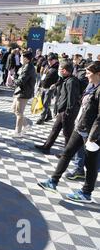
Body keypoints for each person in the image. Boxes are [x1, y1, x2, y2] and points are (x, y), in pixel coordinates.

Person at [38, 62, 100, 204]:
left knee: (90, 165)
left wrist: (93, 137)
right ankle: (53, 181)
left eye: (89, 72)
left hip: (93, 134)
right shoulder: (91, 86)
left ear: (98, 74)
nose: (86, 75)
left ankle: (86, 193)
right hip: (81, 128)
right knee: (67, 153)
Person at [35, 61, 80, 154]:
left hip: (67, 112)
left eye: (59, 69)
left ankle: (67, 153)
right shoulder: (65, 79)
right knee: (55, 129)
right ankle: (46, 146)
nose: (58, 71)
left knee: (67, 133)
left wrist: (68, 111)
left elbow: (72, 98)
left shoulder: (71, 81)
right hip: (62, 111)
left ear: (64, 70)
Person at [11, 51, 36, 138]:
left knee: (19, 112)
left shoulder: (28, 67)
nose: (20, 58)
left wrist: (13, 79)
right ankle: (26, 125)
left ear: (26, 59)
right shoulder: (25, 66)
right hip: (20, 91)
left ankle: (18, 132)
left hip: (23, 92)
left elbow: (21, 81)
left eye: (21, 57)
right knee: (14, 109)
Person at [36, 53, 60, 125]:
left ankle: (41, 118)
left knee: (46, 103)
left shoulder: (58, 68)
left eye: (51, 60)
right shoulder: (49, 67)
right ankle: (49, 115)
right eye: (48, 60)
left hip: (50, 88)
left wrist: (55, 85)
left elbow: (61, 79)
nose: (49, 61)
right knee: (44, 103)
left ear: (55, 60)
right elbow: (43, 77)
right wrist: (39, 86)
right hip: (44, 87)